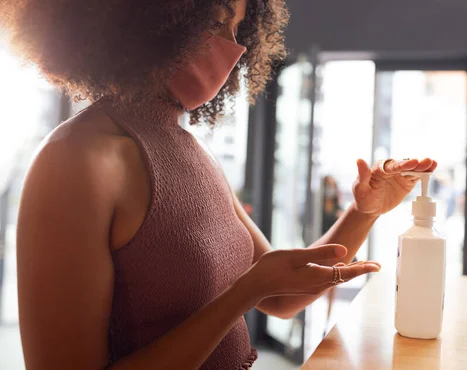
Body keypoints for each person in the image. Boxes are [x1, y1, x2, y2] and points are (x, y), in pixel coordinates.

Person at [1, 1, 437, 369]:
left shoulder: (192, 149)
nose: (235, 47)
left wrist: (364, 211)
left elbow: (280, 296)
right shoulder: (76, 160)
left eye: (238, 27)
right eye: (216, 21)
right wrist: (242, 295)